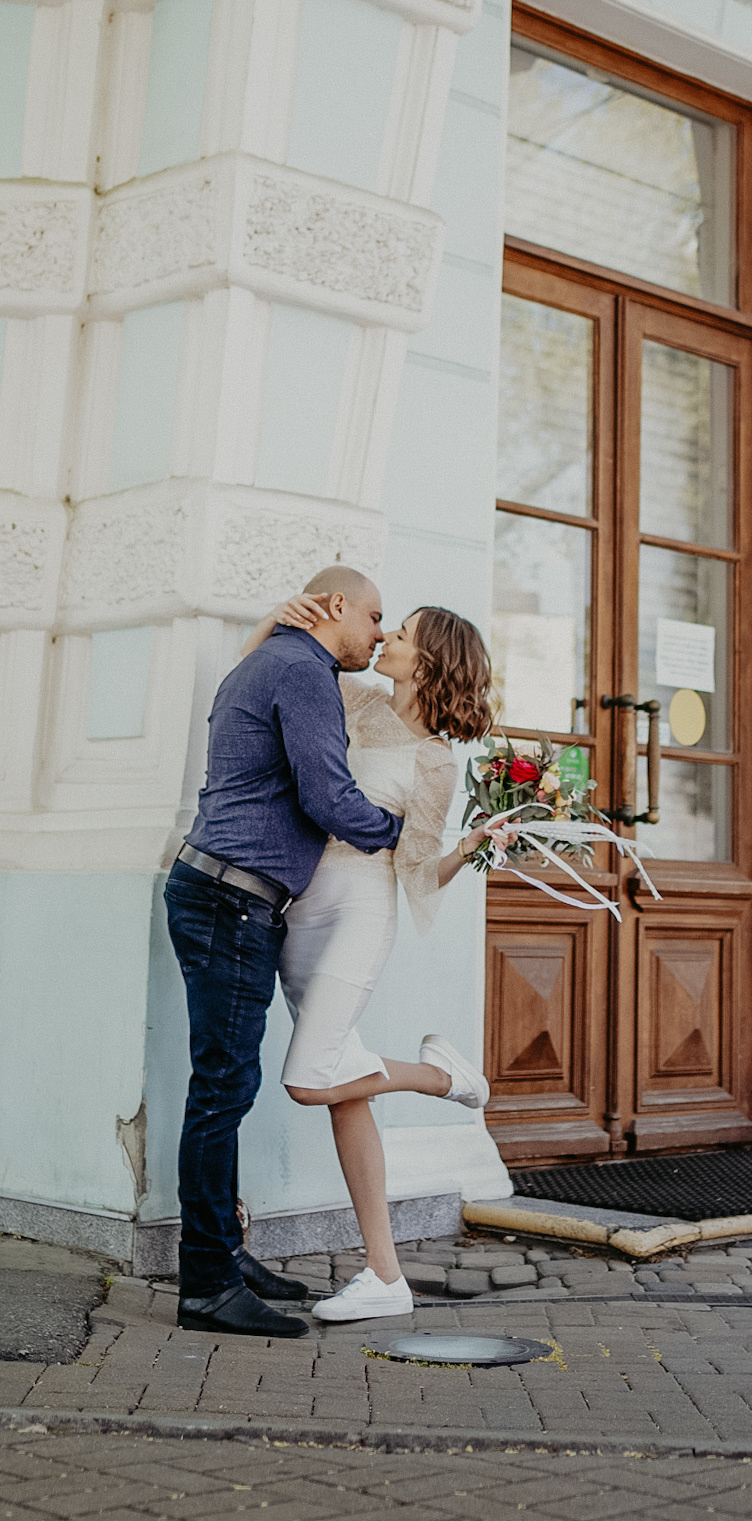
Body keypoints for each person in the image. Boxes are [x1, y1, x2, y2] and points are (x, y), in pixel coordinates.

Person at [240, 594, 512, 1323]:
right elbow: (257, 670)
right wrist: (280, 616)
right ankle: (385, 1275)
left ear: (427, 661)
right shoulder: (354, 697)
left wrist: (475, 843)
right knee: (343, 1086)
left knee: (309, 1080)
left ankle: (442, 1076)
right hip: (300, 907)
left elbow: (418, 869)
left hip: (361, 912)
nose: (384, 637)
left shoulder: (435, 760)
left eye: (403, 634)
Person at [164, 565, 405, 1339]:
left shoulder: (265, 659)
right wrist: (409, 833)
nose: (377, 632)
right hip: (232, 900)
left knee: (224, 1083)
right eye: (373, 616)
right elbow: (329, 797)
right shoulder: (304, 671)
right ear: (335, 604)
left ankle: (226, 1253)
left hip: (222, 893)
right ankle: (205, 1280)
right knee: (222, 1091)